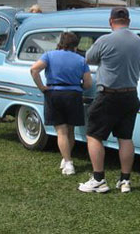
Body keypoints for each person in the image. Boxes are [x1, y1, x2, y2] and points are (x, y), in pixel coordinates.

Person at [78, 7, 140, 193]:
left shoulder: (105, 40)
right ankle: (125, 181)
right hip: (131, 94)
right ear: (128, 21)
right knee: (125, 138)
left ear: (110, 21)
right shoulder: (138, 40)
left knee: (94, 135)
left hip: (109, 94)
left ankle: (98, 179)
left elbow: (88, 58)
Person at [30, 32, 92, 175]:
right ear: (75, 45)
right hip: (74, 95)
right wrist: (78, 87)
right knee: (70, 131)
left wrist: (42, 87)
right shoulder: (81, 60)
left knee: (61, 132)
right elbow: (88, 83)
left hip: (54, 93)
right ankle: (66, 158)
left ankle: (68, 162)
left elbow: (34, 70)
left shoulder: (49, 55)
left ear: (61, 43)